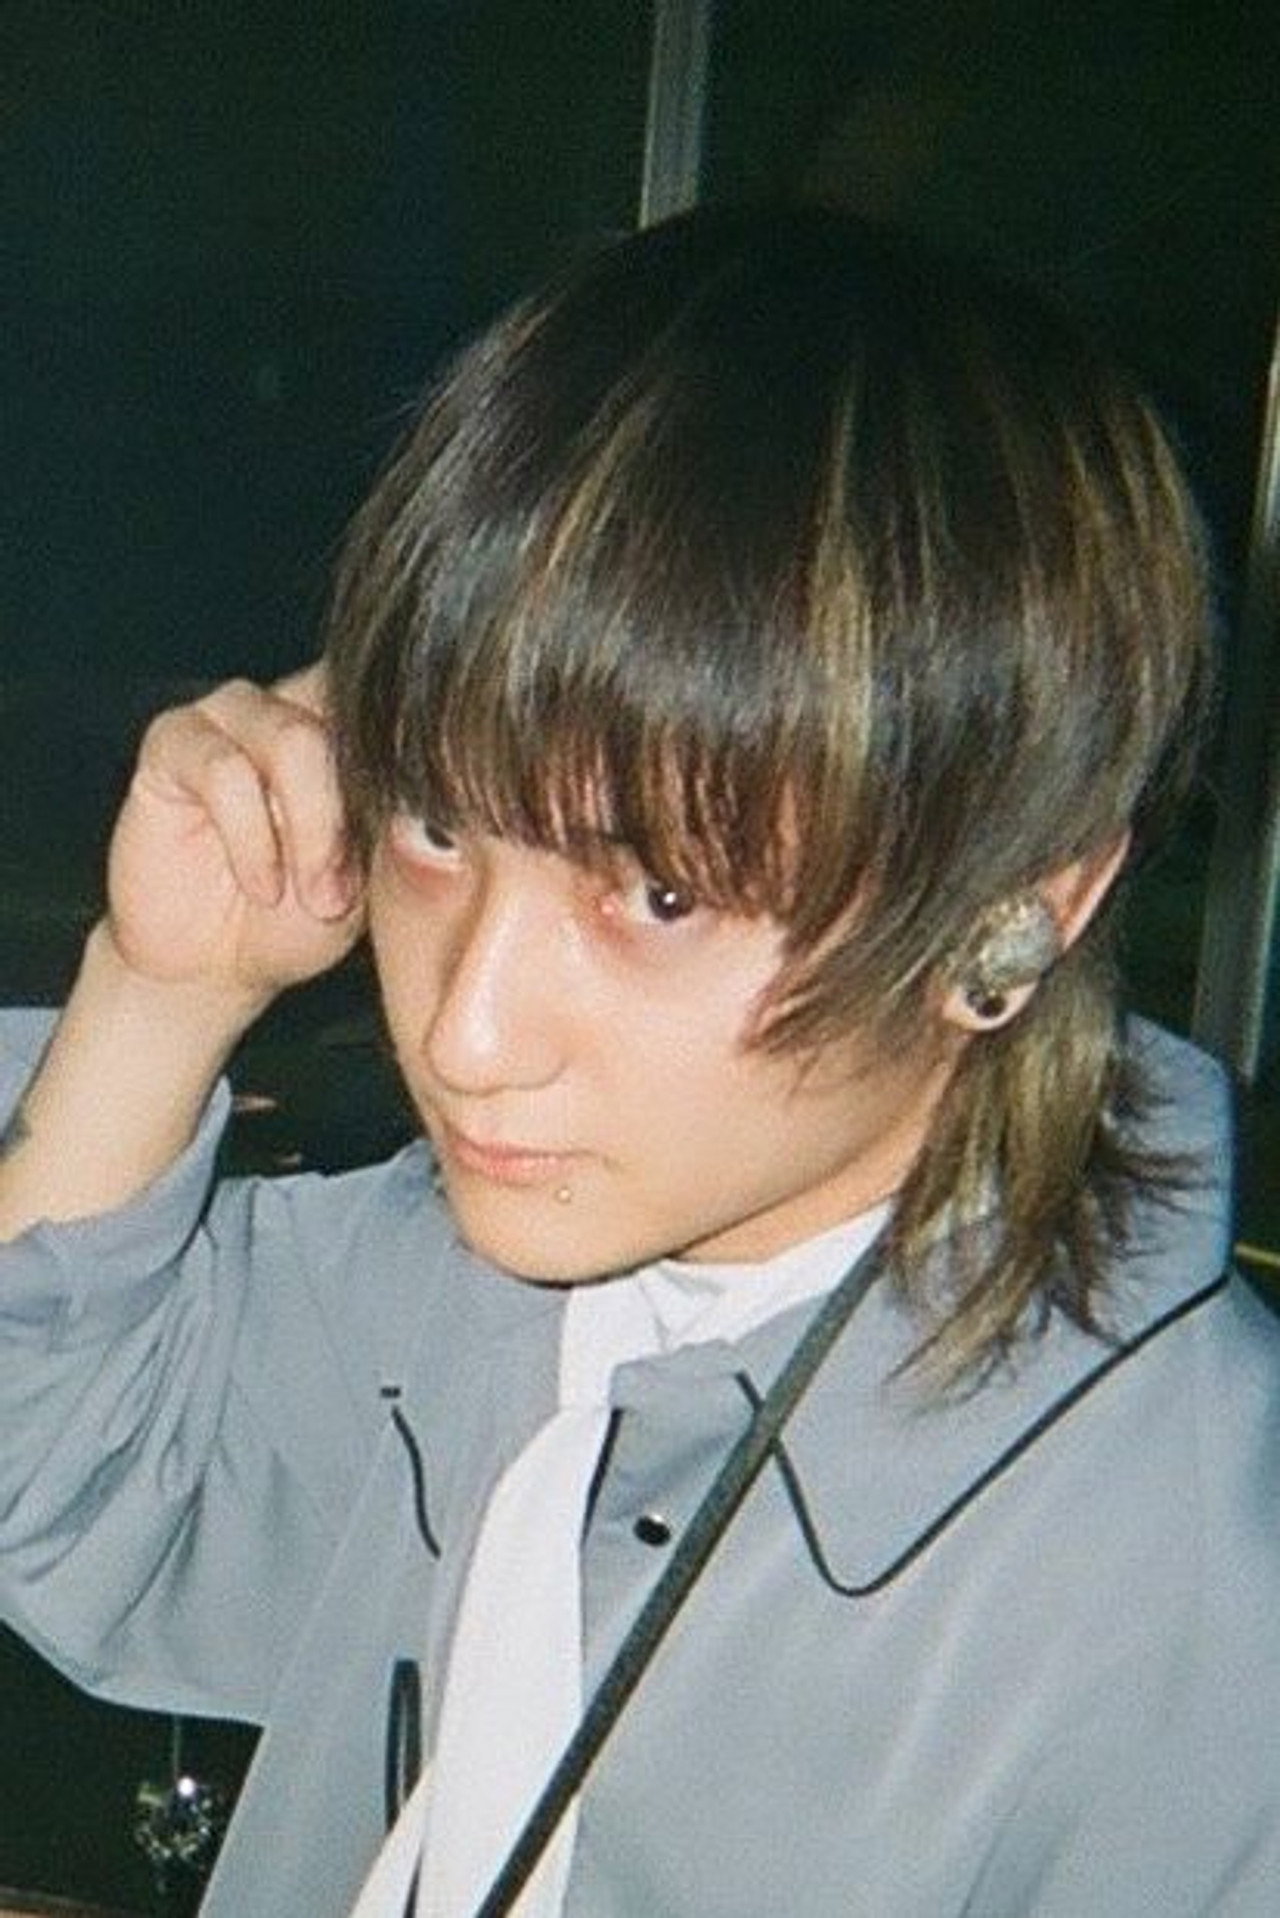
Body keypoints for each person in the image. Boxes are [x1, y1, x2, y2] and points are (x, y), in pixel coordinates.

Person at [1, 206, 1276, 1917]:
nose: (466, 1032)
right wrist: (164, 991)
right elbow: (50, 1469)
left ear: (1008, 921)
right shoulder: (477, 1282)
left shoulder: (1198, 1603)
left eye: (660, 893)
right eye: (437, 824)